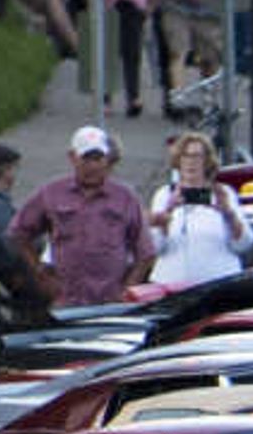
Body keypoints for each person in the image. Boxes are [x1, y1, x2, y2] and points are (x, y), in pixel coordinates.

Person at [9, 124, 152, 310]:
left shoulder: (125, 197)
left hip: (111, 303)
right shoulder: (51, 193)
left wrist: (126, 292)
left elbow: (146, 253)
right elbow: (18, 233)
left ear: (107, 159)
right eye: (86, 158)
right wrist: (40, 274)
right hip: (67, 302)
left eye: (98, 158)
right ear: (72, 157)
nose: (92, 166)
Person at [141, 132, 252, 292]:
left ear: (207, 161)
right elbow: (154, 247)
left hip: (217, 285)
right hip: (171, 286)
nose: (190, 162)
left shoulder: (222, 193)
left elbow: (244, 244)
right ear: (178, 161)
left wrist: (228, 214)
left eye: (197, 156)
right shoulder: (164, 194)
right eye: (185, 156)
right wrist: (167, 211)